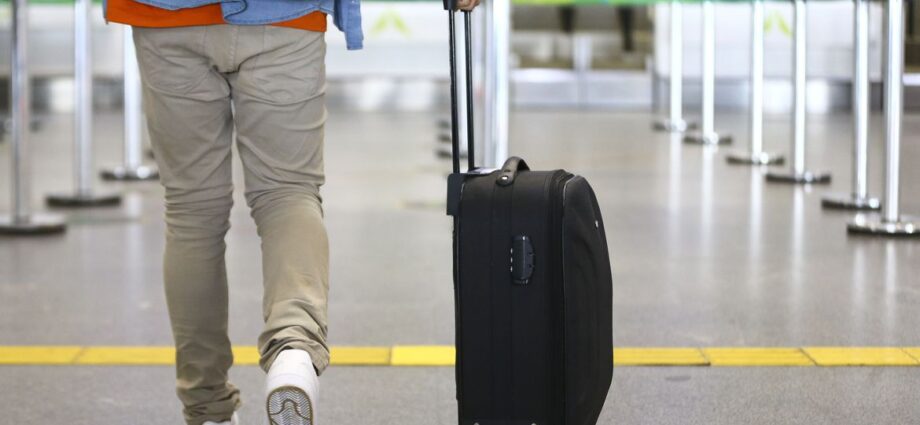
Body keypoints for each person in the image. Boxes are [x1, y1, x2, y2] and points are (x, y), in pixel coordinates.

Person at [104, 0, 478, 424]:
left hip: (167, 16)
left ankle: (207, 408)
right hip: (284, 14)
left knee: (193, 211)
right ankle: (294, 350)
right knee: (288, 193)